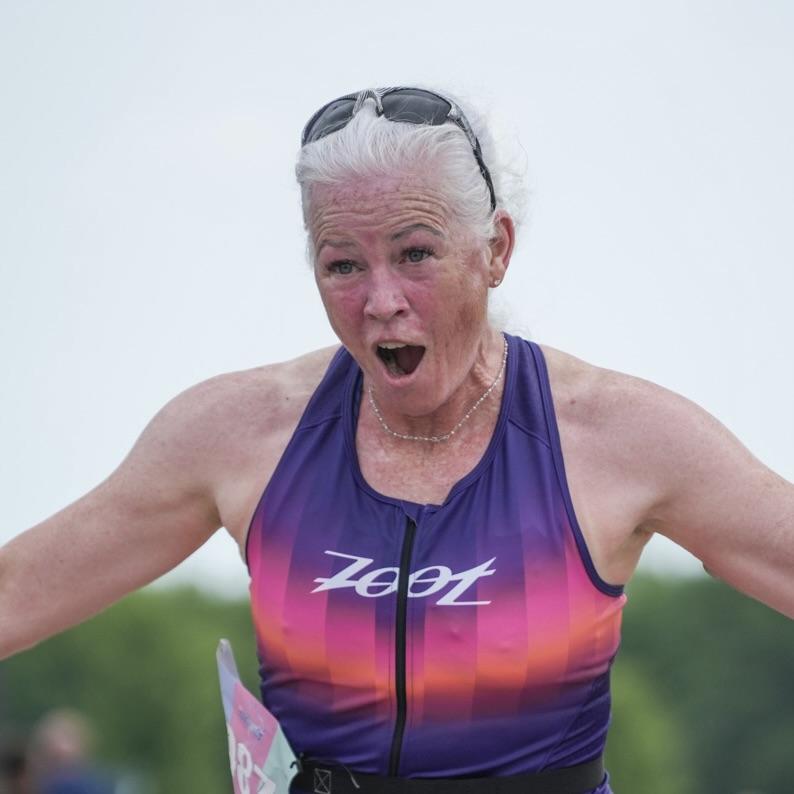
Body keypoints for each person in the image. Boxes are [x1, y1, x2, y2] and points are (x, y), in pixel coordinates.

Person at [0, 86, 792, 794]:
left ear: (495, 252)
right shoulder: (239, 434)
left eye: (416, 254)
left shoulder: (619, 437)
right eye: (343, 265)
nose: (381, 301)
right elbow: (17, 596)